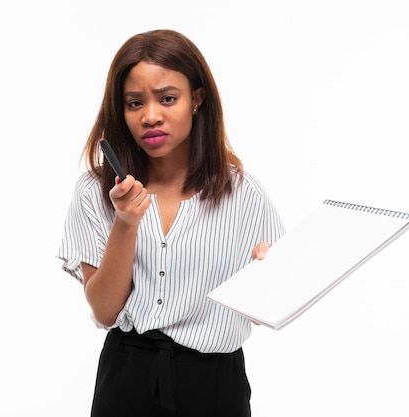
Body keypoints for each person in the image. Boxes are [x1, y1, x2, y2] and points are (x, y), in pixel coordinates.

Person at [58, 29, 285, 417]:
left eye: (167, 98)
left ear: (196, 99)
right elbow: (104, 311)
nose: (150, 116)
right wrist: (126, 222)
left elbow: (274, 303)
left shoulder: (243, 193)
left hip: (215, 384)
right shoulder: (94, 192)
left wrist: (269, 275)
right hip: (127, 379)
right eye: (134, 103)